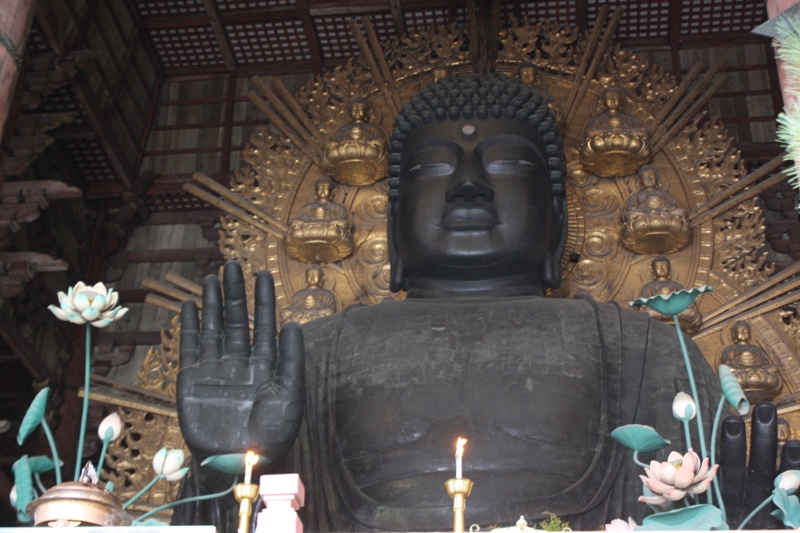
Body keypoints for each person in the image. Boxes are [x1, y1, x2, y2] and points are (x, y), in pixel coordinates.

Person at [175, 74, 770, 532]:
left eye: (508, 163)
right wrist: (225, 465)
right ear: (391, 220)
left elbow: (716, 508)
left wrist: (743, 510)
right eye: (434, 168)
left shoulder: (645, 347)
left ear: (559, 217)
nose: (467, 183)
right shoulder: (311, 356)